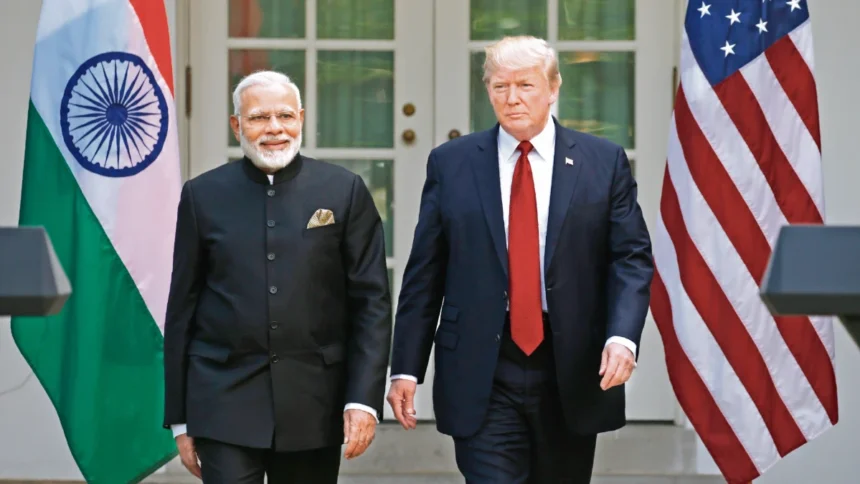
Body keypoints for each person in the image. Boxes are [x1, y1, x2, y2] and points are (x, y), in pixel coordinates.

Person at [387, 36, 654, 483]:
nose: (511, 99)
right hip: (482, 366)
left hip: (569, 362)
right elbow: (424, 274)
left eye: (525, 86)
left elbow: (630, 257)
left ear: (553, 88)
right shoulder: (451, 164)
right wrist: (406, 368)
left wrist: (623, 337)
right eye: (499, 87)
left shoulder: (601, 162)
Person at [162, 70, 392, 483]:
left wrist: (363, 399)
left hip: (314, 399)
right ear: (237, 125)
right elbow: (182, 308)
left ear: (301, 118)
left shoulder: (345, 190)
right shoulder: (202, 196)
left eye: (285, 116)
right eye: (258, 118)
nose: (274, 129)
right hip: (223, 398)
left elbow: (371, 304)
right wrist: (180, 419)